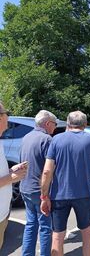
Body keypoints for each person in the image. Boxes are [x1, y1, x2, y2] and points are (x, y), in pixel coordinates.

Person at [40, 111, 90, 256]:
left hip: (59, 194)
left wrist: (44, 196)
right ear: (85, 124)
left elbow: (47, 171)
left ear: (68, 123)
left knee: (57, 235)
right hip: (84, 193)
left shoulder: (56, 139)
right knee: (86, 232)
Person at [20, 110, 57, 256]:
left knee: (30, 224)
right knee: (45, 227)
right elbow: (48, 170)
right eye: (54, 124)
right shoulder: (47, 140)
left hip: (25, 187)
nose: (55, 128)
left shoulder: (26, 137)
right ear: (48, 123)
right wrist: (45, 195)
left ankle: (27, 254)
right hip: (39, 189)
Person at [0, 103, 28, 249]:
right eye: (7, 113)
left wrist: (11, 171)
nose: (9, 117)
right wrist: (11, 178)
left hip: (3, 214)